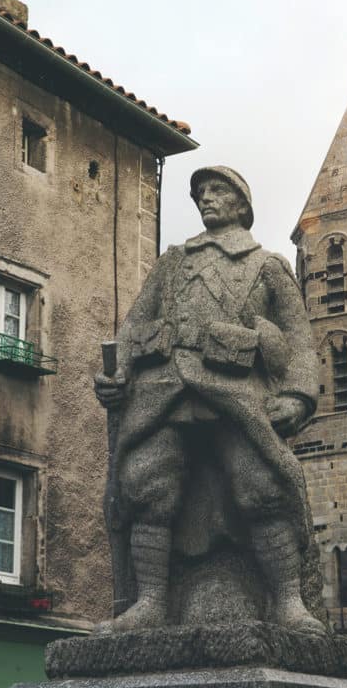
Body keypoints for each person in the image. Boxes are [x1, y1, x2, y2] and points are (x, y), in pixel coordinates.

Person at [94, 166, 323, 634]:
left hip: (236, 392)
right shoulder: (174, 261)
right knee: (145, 486)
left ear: (242, 203)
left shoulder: (268, 266)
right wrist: (116, 374)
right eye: (201, 192)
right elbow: (135, 325)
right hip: (167, 389)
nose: (206, 199)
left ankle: (287, 602)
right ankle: (151, 603)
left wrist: (299, 397)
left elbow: (300, 340)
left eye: (218, 190)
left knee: (262, 488)